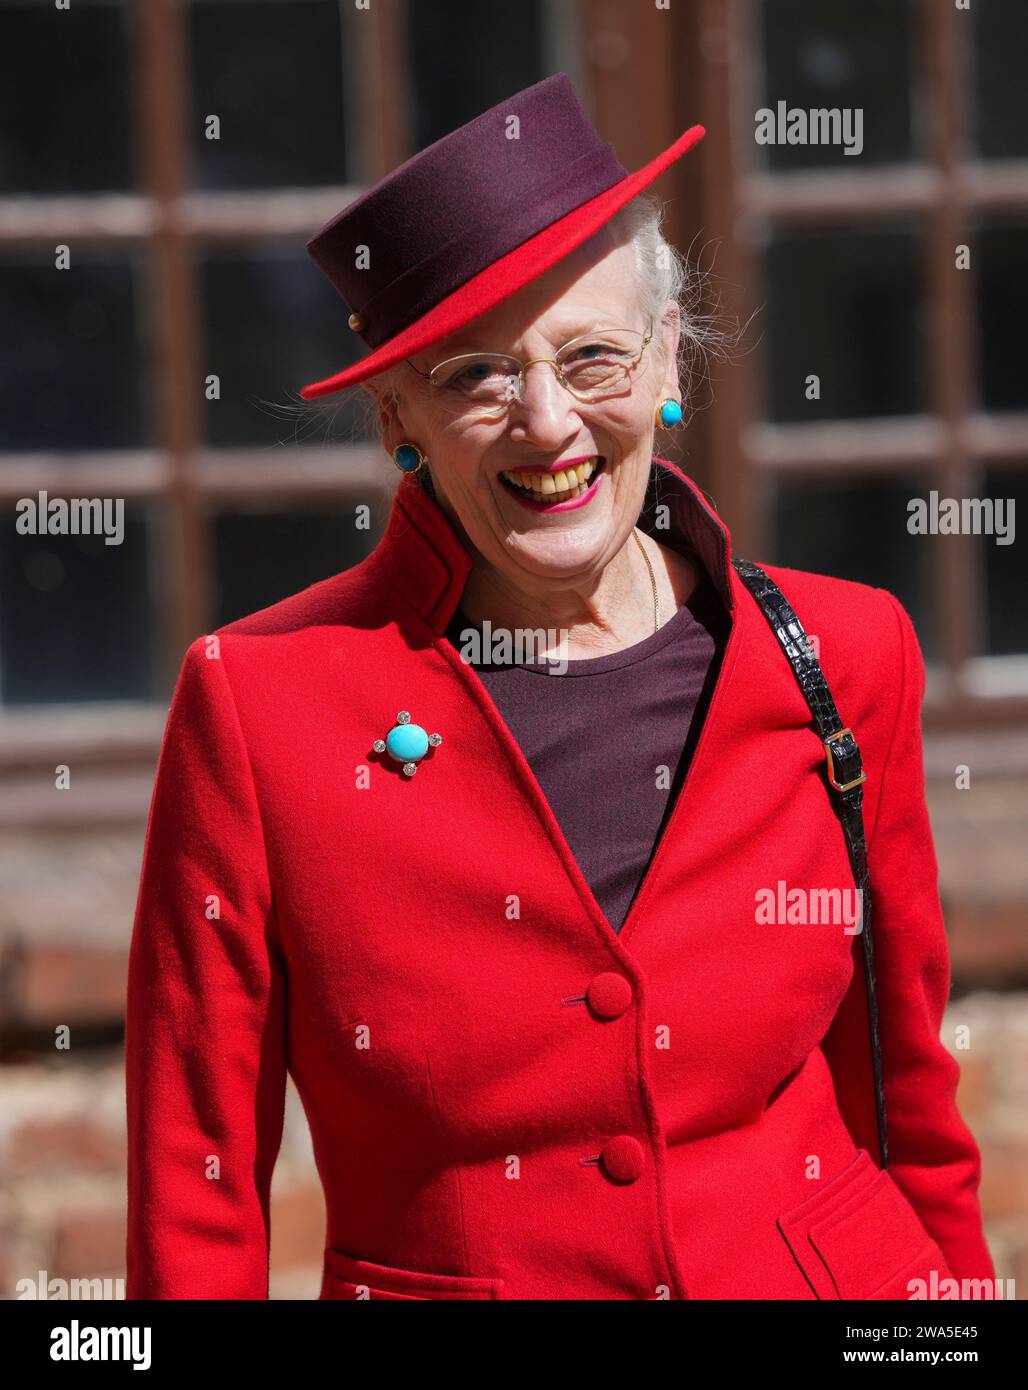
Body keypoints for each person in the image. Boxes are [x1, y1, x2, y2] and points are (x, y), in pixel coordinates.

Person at [125, 73, 993, 1300]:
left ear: (666, 359)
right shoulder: (259, 704)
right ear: (395, 418)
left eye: (590, 355)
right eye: (475, 375)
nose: (547, 422)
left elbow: (903, 1091)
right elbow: (193, 1172)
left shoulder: (844, 656)